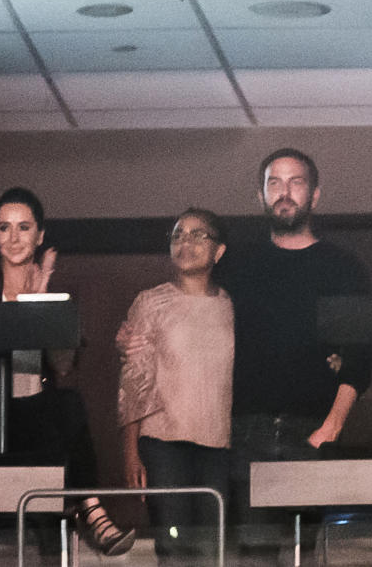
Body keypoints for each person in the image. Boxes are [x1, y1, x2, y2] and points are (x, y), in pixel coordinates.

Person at [0, 187, 135, 556]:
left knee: (67, 404)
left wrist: (42, 303)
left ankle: (90, 513)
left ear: (40, 235)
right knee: (63, 412)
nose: (14, 238)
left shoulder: (53, 286)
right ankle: (93, 515)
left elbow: (63, 367)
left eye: (23, 227)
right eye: (4, 228)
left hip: (42, 417)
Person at [217, 148, 372, 529]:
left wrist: (329, 429)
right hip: (242, 431)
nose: (284, 192)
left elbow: (360, 361)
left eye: (295, 182)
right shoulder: (237, 264)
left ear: (314, 195)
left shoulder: (343, 268)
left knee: (309, 551)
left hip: (311, 429)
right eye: (274, 183)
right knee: (253, 553)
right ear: (261, 196)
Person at [116, 208, 234, 564]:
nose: (186, 242)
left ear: (219, 251)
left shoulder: (232, 305)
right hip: (164, 443)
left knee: (214, 548)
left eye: (199, 235)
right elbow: (133, 380)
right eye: (178, 235)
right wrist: (131, 451)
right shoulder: (150, 301)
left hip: (219, 443)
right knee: (173, 547)